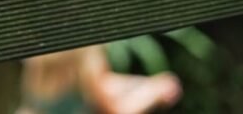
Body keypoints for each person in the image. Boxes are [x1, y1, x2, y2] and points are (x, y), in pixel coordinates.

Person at [19, 46, 183, 114]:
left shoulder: (42, 52)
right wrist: (154, 93)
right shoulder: (84, 53)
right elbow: (113, 110)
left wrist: (139, 83)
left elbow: (100, 83)